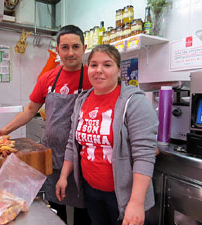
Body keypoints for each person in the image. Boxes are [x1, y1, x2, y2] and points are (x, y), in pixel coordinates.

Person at [0, 25, 92, 224]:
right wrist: (4, 130)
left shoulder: (93, 77)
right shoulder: (48, 78)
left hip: (81, 157)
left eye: (75, 47)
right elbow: (30, 110)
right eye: (65, 47)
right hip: (51, 155)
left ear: (84, 48)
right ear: (58, 50)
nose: (70, 53)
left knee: (84, 212)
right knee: (55, 208)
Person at [55, 44, 158, 225]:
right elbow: (73, 144)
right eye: (94, 65)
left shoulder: (134, 102)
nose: (99, 70)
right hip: (91, 191)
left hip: (124, 195)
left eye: (107, 65)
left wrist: (136, 202)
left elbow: (144, 156)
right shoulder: (82, 100)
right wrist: (64, 176)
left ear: (119, 71)